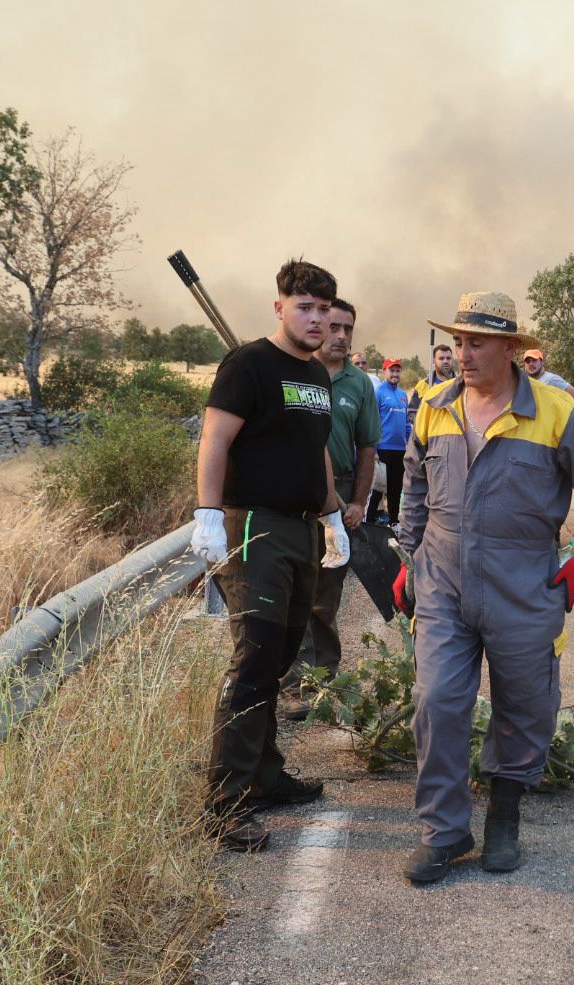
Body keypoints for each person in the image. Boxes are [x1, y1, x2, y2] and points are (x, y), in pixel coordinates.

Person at [395, 291, 574, 884]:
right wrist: (407, 556)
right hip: (443, 577)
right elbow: (415, 486)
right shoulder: (433, 406)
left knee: (524, 704)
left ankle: (504, 817)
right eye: (459, 342)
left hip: (522, 580)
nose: (463, 354)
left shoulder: (555, 411)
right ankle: (444, 830)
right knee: (436, 699)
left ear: (511, 349)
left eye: (477, 343)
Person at [188, 259, 351, 852]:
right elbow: (215, 439)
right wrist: (208, 513)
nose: (317, 319)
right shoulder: (248, 365)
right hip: (254, 524)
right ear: (280, 307)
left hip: (302, 529)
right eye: (304, 307)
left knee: (280, 657)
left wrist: (332, 515)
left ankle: (264, 775)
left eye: (324, 310)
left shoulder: (317, 377)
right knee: (255, 660)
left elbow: (318, 451)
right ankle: (224, 806)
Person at [278, 297, 381, 721]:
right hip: (294, 493)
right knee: (293, 592)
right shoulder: (296, 371)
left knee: (326, 594)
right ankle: (293, 685)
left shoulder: (360, 385)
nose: (340, 336)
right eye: (333, 327)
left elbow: (368, 448)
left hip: (339, 491)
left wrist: (358, 502)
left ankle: (327, 680)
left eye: (347, 329)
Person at [368, 357, 410, 524]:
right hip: (382, 449)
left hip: (400, 450)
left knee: (396, 490)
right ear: (384, 371)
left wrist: (410, 445)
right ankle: (368, 523)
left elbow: (406, 424)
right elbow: (373, 421)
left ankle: (394, 523)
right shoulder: (378, 392)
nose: (395, 374)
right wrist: (374, 449)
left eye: (398, 371)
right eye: (391, 370)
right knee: (378, 490)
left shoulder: (403, 395)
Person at [407, 342, 457, 428]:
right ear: (433, 362)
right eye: (441, 358)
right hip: (430, 434)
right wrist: (425, 424)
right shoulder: (423, 386)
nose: (445, 361)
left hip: (454, 433)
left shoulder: (461, 385)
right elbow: (411, 413)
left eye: (448, 358)